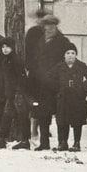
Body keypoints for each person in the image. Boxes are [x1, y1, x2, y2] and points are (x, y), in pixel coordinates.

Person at [24, 11, 68, 151]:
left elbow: (66, 59)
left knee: (60, 112)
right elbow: (31, 56)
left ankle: (62, 142)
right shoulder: (38, 39)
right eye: (47, 25)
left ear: (56, 26)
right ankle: (44, 143)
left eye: (52, 25)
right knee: (42, 112)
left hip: (54, 82)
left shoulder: (62, 41)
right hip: (39, 81)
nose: (49, 28)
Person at [50, 42, 87, 152]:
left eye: (73, 53)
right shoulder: (59, 66)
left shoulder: (81, 66)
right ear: (64, 55)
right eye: (68, 53)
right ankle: (62, 142)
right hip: (63, 98)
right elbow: (49, 78)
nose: (70, 55)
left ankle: (76, 143)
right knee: (62, 121)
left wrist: (83, 88)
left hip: (77, 98)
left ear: (76, 55)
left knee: (77, 121)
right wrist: (58, 89)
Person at [0, 39, 31, 150]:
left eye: (7, 47)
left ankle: (25, 140)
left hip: (17, 93)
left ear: (12, 47)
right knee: (7, 115)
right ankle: (1, 139)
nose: (5, 49)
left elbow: (22, 77)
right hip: (10, 93)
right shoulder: (6, 60)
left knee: (22, 116)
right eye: (3, 47)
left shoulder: (15, 60)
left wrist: (19, 92)